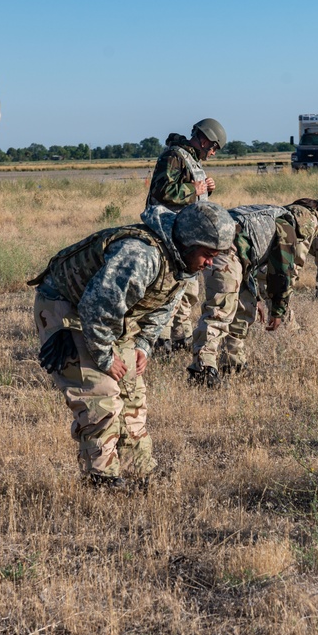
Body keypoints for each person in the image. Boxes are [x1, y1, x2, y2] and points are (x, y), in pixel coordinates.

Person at [29, 202, 235, 489]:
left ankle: (139, 469)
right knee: (101, 394)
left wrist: (143, 344)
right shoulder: (140, 256)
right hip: (68, 309)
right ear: (189, 243)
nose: (210, 264)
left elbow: (164, 305)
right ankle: (101, 478)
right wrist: (103, 357)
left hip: (114, 315)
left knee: (132, 391)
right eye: (207, 255)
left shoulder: (181, 261)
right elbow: (95, 309)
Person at [187, 204, 318, 387]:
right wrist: (278, 310)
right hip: (223, 252)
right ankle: (203, 369)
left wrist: (256, 297)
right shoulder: (286, 227)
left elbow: (250, 255)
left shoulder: (269, 215)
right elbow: (282, 272)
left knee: (245, 306)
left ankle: (233, 362)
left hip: (232, 253)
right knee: (219, 312)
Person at [146, 118, 227, 353]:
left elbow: (188, 192)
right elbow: (162, 191)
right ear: (202, 139)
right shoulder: (174, 156)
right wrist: (195, 189)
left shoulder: (190, 160)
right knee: (169, 290)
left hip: (186, 237)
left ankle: (181, 337)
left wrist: (206, 189)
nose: (212, 153)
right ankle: (161, 341)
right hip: (169, 234)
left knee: (188, 291)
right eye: (212, 147)